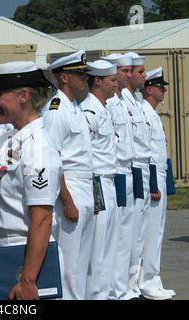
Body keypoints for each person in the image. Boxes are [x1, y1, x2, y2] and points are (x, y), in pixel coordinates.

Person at [0, 60, 62, 300]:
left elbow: (41, 219)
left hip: (25, 255)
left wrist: (28, 280)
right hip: (4, 249)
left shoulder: (38, 146)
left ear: (23, 96)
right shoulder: (10, 137)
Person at [42, 50, 94, 300]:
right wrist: (67, 200)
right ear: (63, 77)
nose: (85, 78)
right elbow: (52, 160)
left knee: (82, 260)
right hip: (70, 188)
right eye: (79, 74)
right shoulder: (56, 110)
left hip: (83, 186)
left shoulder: (74, 107)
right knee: (69, 261)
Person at [81, 60, 118, 300]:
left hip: (109, 181)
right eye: (112, 80)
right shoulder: (89, 110)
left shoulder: (103, 108)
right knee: (97, 248)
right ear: (98, 81)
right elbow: (84, 153)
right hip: (97, 183)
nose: (116, 84)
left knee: (109, 246)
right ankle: (95, 295)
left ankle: (106, 293)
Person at [100, 53, 136, 300]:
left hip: (127, 168)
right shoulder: (110, 103)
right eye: (122, 72)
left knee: (126, 235)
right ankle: (116, 289)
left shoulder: (123, 100)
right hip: (116, 170)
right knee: (117, 236)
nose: (127, 75)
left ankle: (123, 287)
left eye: (126, 72)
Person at [139, 67, 175, 300]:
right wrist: (153, 185)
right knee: (150, 232)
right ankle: (147, 282)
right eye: (159, 87)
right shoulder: (144, 112)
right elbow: (148, 154)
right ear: (150, 89)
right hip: (152, 180)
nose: (163, 91)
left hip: (160, 177)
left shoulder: (152, 114)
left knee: (158, 231)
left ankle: (154, 277)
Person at [121, 52, 151, 299]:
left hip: (138, 168)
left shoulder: (136, 101)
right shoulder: (116, 102)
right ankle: (124, 286)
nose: (140, 76)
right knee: (124, 233)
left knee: (138, 231)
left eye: (138, 72)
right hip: (125, 169)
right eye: (135, 72)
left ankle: (132, 284)